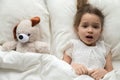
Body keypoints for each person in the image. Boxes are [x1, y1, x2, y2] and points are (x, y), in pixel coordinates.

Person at [63, 3, 113, 80]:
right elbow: (61, 66)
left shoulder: (105, 49)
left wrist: (105, 73)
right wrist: (73, 66)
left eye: (95, 27)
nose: (90, 30)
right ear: (77, 29)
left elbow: (112, 73)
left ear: (101, 31)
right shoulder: (72, 45)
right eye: (85, 26)